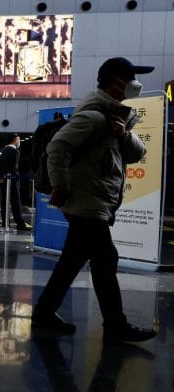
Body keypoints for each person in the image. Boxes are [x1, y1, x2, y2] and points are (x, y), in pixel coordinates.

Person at [31, 57, 157, 344]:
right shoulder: (95, 116)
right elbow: (57, 146)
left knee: (72, 260)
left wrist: (123, 134)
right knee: (105, 259)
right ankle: (115, 325)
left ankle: (45, 313)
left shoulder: (114, 117)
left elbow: (136, 153)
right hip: (86, 201)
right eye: (132, 78)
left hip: (94, 200)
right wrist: (61, 185)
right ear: (116, 81)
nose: (136, 84)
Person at [0, 134, 30, 231]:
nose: (19, 141)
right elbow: (13, 167)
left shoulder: (4, 150)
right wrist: (15, 176)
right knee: (15, 201)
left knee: (4, 202)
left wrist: (1, 176)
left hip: (3, 180)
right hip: (12, 180)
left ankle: (4, 223)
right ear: (15, 140)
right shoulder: (15, 151)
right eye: (19, 139)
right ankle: (20, 223)